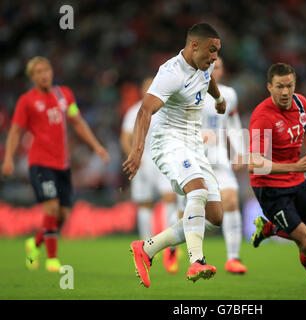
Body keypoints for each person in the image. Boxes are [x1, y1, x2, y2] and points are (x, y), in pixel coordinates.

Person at [123, 23, 226, 287]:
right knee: (198, 191)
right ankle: (196, 261)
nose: (215, 57)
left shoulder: (206, 64)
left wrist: (218, 98)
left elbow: (209, 79)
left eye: (217, 52)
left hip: (194, 145)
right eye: (211, 51)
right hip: (169, 142)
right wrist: (137, 151)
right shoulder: (170, 73)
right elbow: (144, 111)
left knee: (214, 218)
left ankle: (146, 249)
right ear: (194, 45)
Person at [1, 56, 109, 272]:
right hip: (40, 164)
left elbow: (77, 122)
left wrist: (96, 146)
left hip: (63, 165)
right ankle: (52, 258)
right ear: (32, 77)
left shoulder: (64, 95)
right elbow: (15, 131)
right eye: (38, 72)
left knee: (62, 215)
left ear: (51, 72)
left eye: (46, 70)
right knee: (50, 207)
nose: (43, 75)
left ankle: (34, 243)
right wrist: (9, 158)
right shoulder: (27, 101)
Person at [249, 63, 306, 297]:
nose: (285, 92)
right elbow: (253, 163)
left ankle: (270, 228)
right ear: (269, 87)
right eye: (279, 86)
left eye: (289, 85)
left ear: (295, 85)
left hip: (297, 182)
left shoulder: (301, 102)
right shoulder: (262, 117)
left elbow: (305, 129)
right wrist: (295, 166)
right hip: (270, 188)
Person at [121, 77, 180, 274]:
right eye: (147, 86)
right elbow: (125, 137)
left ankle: (169, 248)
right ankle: (148, 247)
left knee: (170, 198)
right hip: (143, 161)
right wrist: (133, 156)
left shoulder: (165, 107)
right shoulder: (135, 110)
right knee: (144, 204)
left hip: (163, 159)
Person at [201, 57, 247, 274]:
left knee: (230, 201)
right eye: (210, 67)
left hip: (219, 158)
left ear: (222, 70)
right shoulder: (188, 92)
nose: (213, 71)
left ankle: (233, 258)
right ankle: (173, 248)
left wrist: (239, 150)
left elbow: (232, 122)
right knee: (185, 212)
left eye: (217, 67)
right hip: (193, 159)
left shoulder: (229, 95)